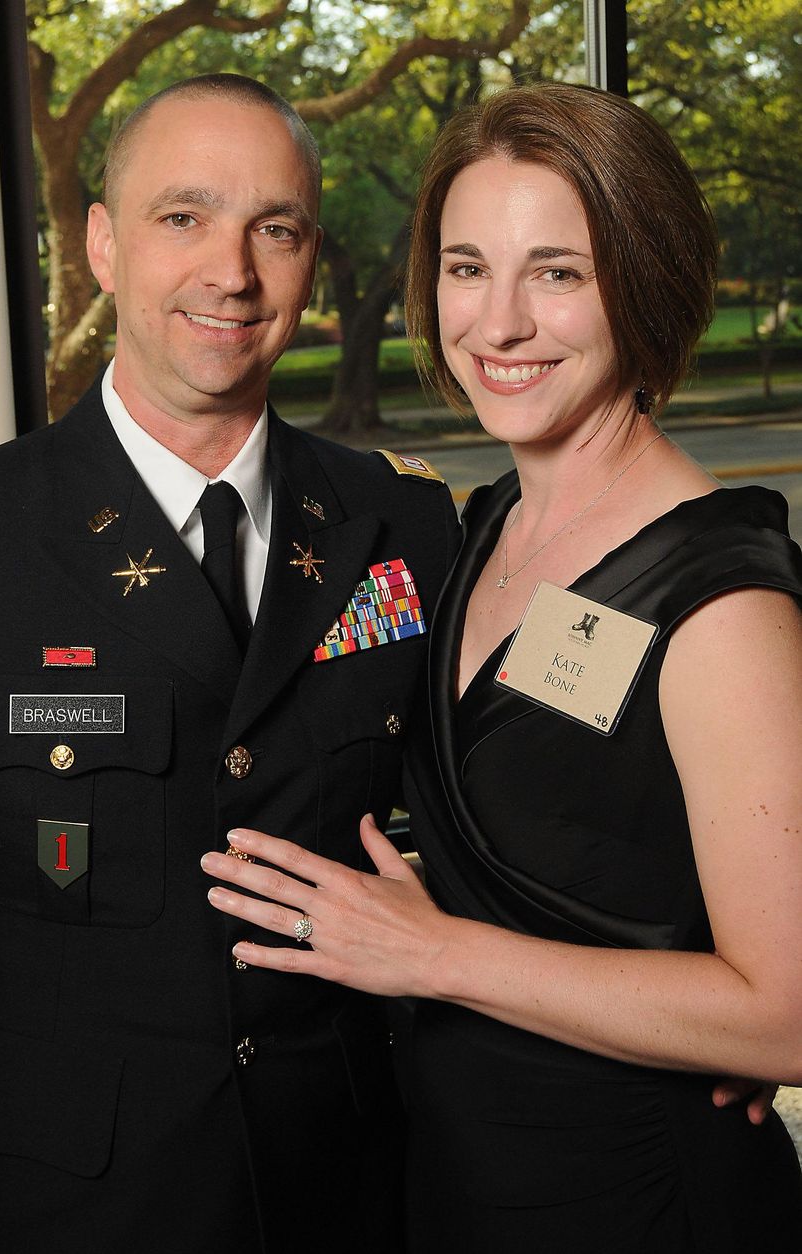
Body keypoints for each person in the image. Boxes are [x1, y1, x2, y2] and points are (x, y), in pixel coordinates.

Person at [0, 75, 460, 1253]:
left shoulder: (402, 526)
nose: (232, 272)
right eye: (184, 217)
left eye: (275, 228)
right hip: (71, 1210)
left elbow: (488, 834)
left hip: (351, 1195)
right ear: (103, 246)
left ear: (310, 259)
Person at [201, 83, 802, 1251]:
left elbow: (785, 1015)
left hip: (641, 1198)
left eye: (558, 272)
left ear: (646, 277)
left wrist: (432, 952)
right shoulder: (467, 534)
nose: (499, 323)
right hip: (457, 1176)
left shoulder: (719, 603)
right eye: (468, 267)